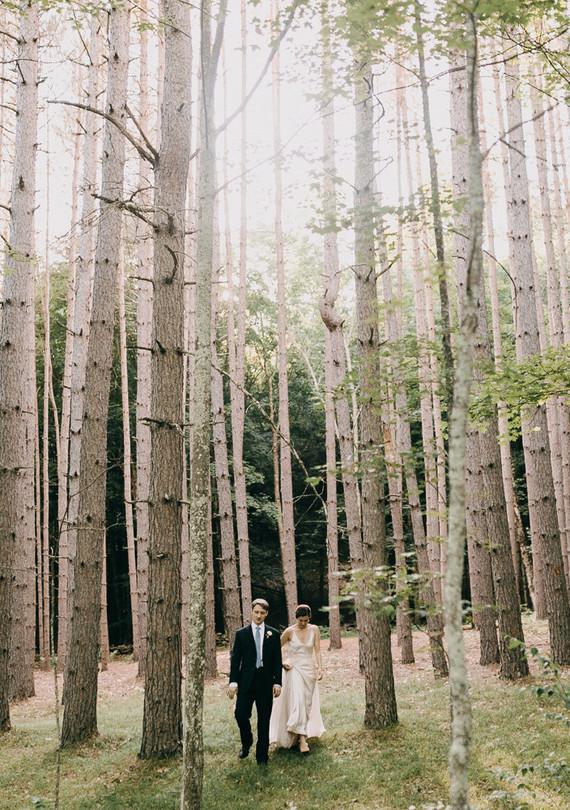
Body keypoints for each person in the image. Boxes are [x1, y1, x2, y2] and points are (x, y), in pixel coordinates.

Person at [228, 598, 282, 765]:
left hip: (265, 681)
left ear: (266, 614)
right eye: (256, 612)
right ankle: (247, 740)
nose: (259, 615)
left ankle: (262, 756)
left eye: (262, 613)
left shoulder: (273, 634)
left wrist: (277, 682)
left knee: (264, 719)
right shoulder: (241, 634)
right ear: (251, 612)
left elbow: (277, 660)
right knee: (240, 715)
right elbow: (236, 660)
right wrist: (233, 682)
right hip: (246, 681)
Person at [269, 604, 325, 754]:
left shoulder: (314, 629)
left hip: (309, 671)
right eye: (301, 620)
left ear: (309, 618)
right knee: (298, 702)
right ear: (296, 618)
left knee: (306, 704)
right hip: (294, 669)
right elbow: (274, 649)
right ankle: (302, 740)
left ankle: (297, 735)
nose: (303, 623)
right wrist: (281, 662)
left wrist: (320, 668)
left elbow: (317, 650)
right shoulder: (289, 632)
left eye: (306, 620)